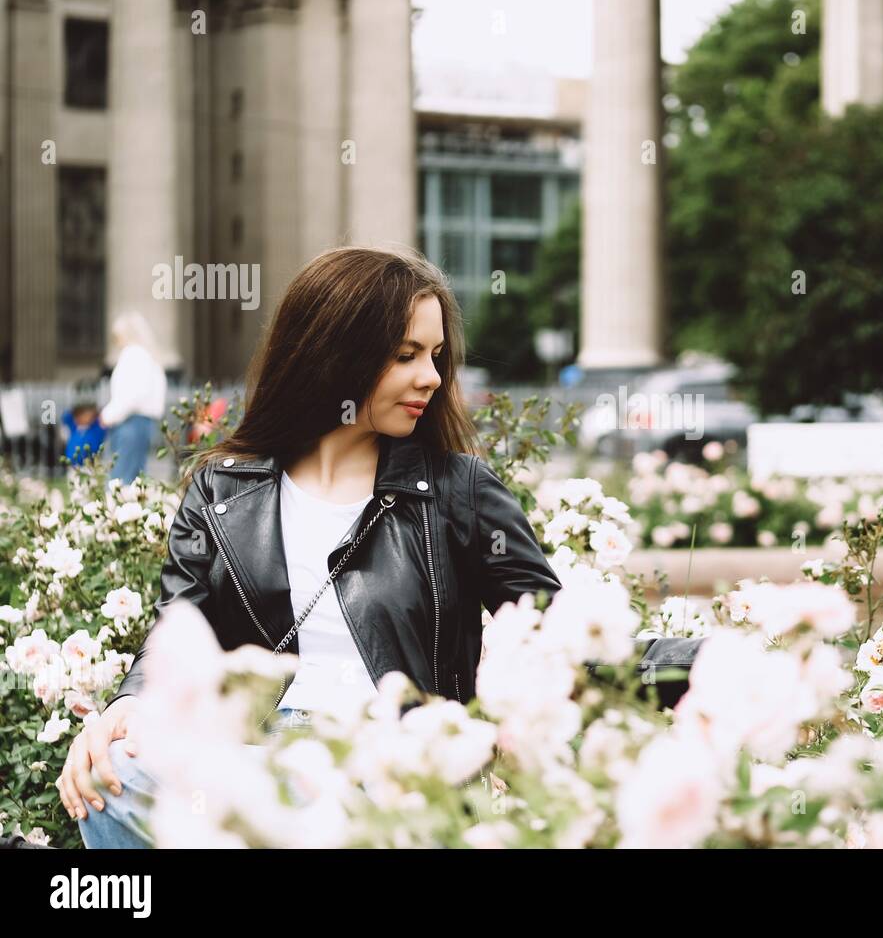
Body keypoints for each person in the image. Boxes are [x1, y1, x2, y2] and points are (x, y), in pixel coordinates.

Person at [60, 245, 563, 848]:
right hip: (254, 757)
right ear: (334, 355)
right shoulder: (223, 491)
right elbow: (178, 629)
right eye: (406, 355)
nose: (430, 376)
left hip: (392, 766)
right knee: (111, 774)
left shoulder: (459, 492)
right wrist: (129, 705)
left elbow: (557, 630)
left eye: (434, 355)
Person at [100, 313, 167, 484]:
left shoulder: (134, 355)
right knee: (135, 480)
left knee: (120, 481)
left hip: (129, 422)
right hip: (141, 422)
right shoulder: (148, 356)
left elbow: (132, 395)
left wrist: (109, 415)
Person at [61, 403, 106, 468]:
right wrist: (75, 410)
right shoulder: (74, 428)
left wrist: (97, 414)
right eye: (83, 415)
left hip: (90, 464)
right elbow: (66, 417)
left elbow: (102, 422)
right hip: (73, 464)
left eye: (89, 415)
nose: (86, 418)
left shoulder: (96, 429)